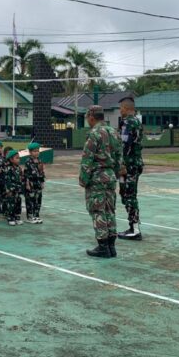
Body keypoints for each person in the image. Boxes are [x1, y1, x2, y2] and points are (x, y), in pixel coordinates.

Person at [79, 105, 123, 259]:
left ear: (91, 117)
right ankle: (111, 246)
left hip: (97, 177)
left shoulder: (94, 134)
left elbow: (87, 159)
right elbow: (119, 157)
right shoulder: (114, 132)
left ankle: (103, 246)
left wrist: (83, 179)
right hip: (110, 176)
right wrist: (115, 174)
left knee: (98, 211)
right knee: (109, 210)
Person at [117, 97, 144, 241]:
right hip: (134, 164)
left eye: (121, 108)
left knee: (129, 195)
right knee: (126, 194)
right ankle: (133, 226)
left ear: (127, 109)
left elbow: (124, 146)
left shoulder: (128, 122)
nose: (120, 111)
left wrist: (122, 165)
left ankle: (135, 229)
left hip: (129, 166)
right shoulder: (137, 122)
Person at [23, 142, 45, 224]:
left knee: (38, 200)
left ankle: (36, 215)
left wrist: (42, 182)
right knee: (30, 200)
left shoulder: (39, 161)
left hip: (38, 183)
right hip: (31, 183)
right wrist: (27, 184)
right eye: (34, 151)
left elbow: (42, 172)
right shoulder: (28, 161)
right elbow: (26, 174)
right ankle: (30, 217)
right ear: (30, 152)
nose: (37, 153)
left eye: (37, 151)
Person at [2, 149, 24, 226]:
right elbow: (6, 180)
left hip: (17, 189)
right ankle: (10, 217)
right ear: (11, 159)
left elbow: (21, 178)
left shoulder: (18, 168)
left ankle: (17, 216)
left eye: (19, 158)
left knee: (18, 202)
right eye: (16, 158)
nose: (18, 160)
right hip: (11, 189)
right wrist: (8, 189)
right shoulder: (8, 168)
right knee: (11, 203)